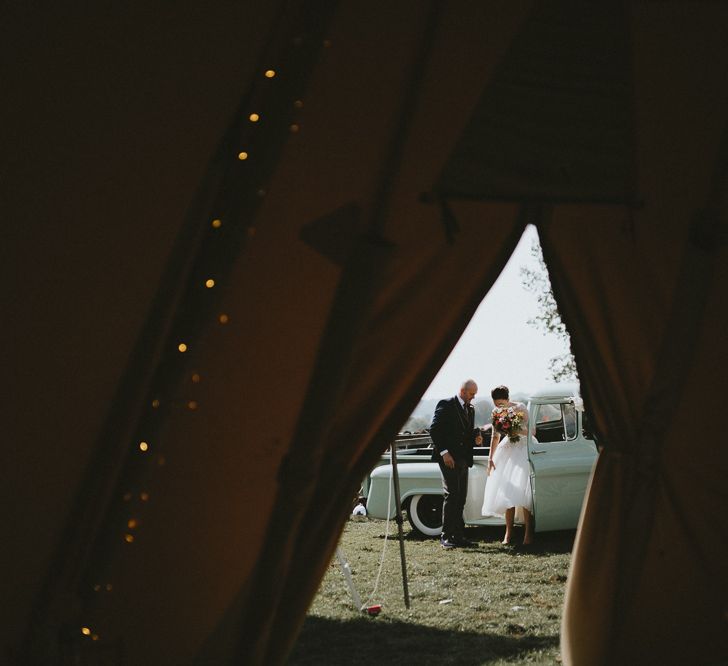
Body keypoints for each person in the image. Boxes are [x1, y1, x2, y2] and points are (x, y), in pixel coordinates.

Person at [429, 379, 483, 549]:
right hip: (448, 458)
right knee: (451, 496)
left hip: (463, 458)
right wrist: (444, 453)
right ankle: (445, 537)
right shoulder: (446, 404)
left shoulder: (471, 409)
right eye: (472, 394)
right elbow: (434, 429)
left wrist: (477, 435)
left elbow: (467, 431)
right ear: (463, 391)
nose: (473, 397)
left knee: (461, 497)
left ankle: (458, 536)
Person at [481, 385, 534, 545]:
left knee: (525, 493)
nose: (499, 407)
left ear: (507, 399)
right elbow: (495, 437)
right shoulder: (496, 413)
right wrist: (490, 458)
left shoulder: (521, 408)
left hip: (524, 448)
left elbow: (532, 432)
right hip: (507, 450)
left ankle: (528, 533)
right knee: (507, 492)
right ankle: (508, 534)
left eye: (501, 404)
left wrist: (514, 429)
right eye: (497, 404)